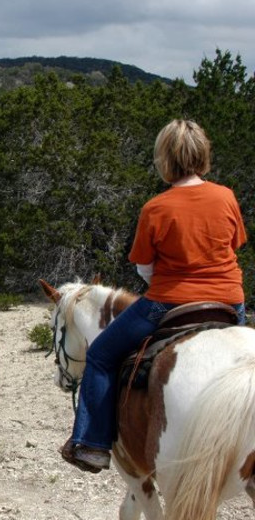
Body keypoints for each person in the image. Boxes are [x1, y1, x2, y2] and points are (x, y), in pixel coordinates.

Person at [60, 119, 248, 473]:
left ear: (166, 159)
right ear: (203, 155)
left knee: (100, 355)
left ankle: (93, 444)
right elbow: (234, 245)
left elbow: (144, 268)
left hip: (169, 301)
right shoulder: (226, 196)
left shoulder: (157, 208)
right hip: (229, 302)